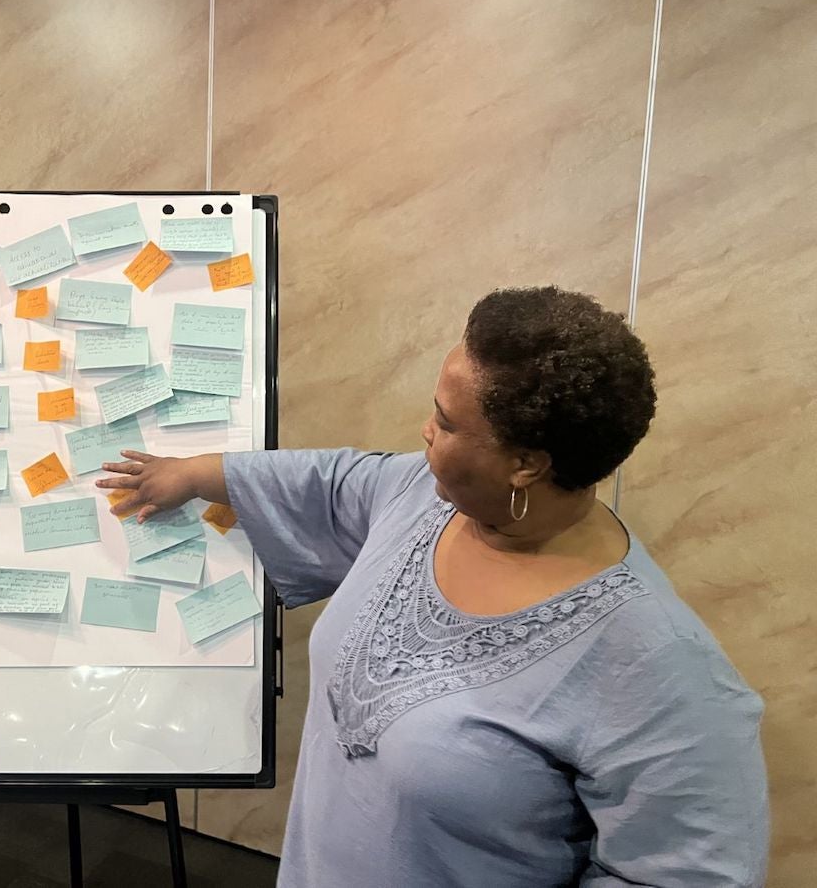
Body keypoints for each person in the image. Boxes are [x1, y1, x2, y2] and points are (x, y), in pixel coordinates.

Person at [97, 285, 769, 887]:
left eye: (447, 423)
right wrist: (192, 474)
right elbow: (328, 484)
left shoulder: (657, 665)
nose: (426, 430)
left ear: (526, 464)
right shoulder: (423, 496)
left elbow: (692, 873)